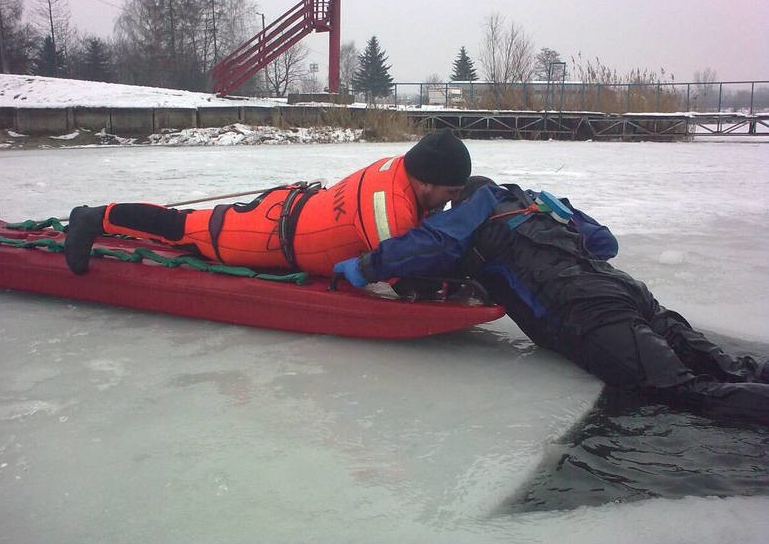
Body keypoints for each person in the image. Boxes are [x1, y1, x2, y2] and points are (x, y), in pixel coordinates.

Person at [334, 177, 769, 424]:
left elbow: (429, 244)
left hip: (586, 313)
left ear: (465, 201)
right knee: (727, 363)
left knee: (684, 391)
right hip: (628, 292)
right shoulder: (541, 205)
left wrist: (366, 267)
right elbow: (604, 242)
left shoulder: (472, 219)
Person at [64, 129, 471, 277]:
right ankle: (95, 218)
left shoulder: (397, 166)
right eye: (450, 195)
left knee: (186, 223)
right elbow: (406, 274)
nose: (449, 204)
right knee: (181, 229)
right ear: (427, 183)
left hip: (289, 210)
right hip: (264, 237)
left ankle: (99, 215)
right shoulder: (390, 209)